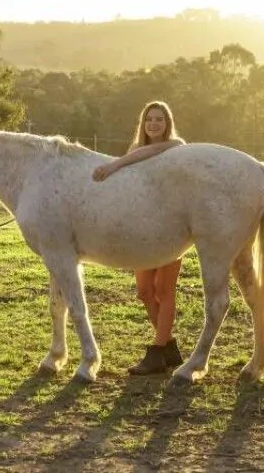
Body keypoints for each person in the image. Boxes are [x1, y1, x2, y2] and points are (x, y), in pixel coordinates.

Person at [92, 100, 186, 375]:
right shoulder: (134, 150)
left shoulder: (175, 145)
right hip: (141, 229)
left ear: (167, 123)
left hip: (170, 226)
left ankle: (157, 351)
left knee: (163, 289)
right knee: (145, 292)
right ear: (143, 124)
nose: (154, 124)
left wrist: (115, 163)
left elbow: (150, 152)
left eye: (159, 119)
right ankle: (168, 346)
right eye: (149, 120)